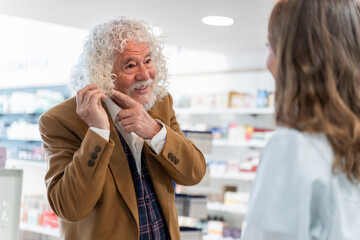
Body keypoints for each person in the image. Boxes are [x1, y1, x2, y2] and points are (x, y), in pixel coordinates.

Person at [38, 17, 206, 240]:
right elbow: (69, 207)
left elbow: (194, 172)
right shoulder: (61, 120)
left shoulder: (161, 104)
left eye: (147, 61)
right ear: (103, 72)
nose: (145, 75)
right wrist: (97, 133)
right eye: (130, 65)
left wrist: (156, 131)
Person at [242, 0, 360, 239]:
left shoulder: (293, 146)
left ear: (300, 57)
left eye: (272, 45)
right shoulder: (349, 140)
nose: (268, 63)